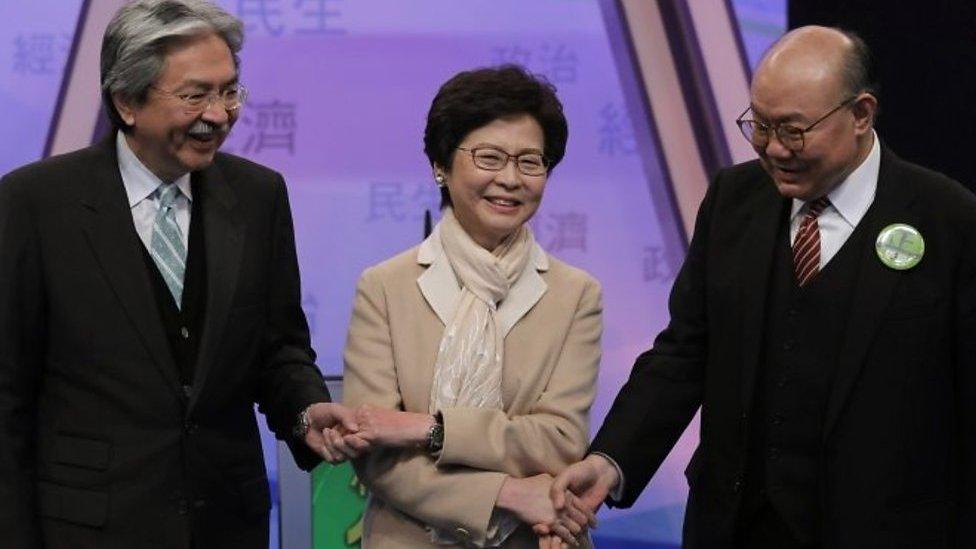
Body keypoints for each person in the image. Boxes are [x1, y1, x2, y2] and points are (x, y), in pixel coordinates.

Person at [543, 26, 976, 548]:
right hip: (733, 526)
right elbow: (686, 352)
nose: (772, 148)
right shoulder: (733, 199)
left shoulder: (949, 220)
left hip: (885, 529)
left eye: (794, 130)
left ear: (861, 114)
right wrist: (612, 461)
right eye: (760, 125)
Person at [0, 2, 361, 548]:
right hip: (89, 527)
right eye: (195, 95)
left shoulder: (259, 196)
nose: (218, 114)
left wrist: (305, 410)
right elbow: (8, 395)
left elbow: (278, 346)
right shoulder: (35, 203)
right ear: (127, 102)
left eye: (229, 91)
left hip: (226, 522)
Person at [330, 65, 602, 548]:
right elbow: (377, 453)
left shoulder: (576, 294)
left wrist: (429, 429)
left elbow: (559, 441)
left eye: (530, 162)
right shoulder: (386, 287)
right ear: (440, 163)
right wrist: (508, 492)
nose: (510, 179)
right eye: (489, 157)